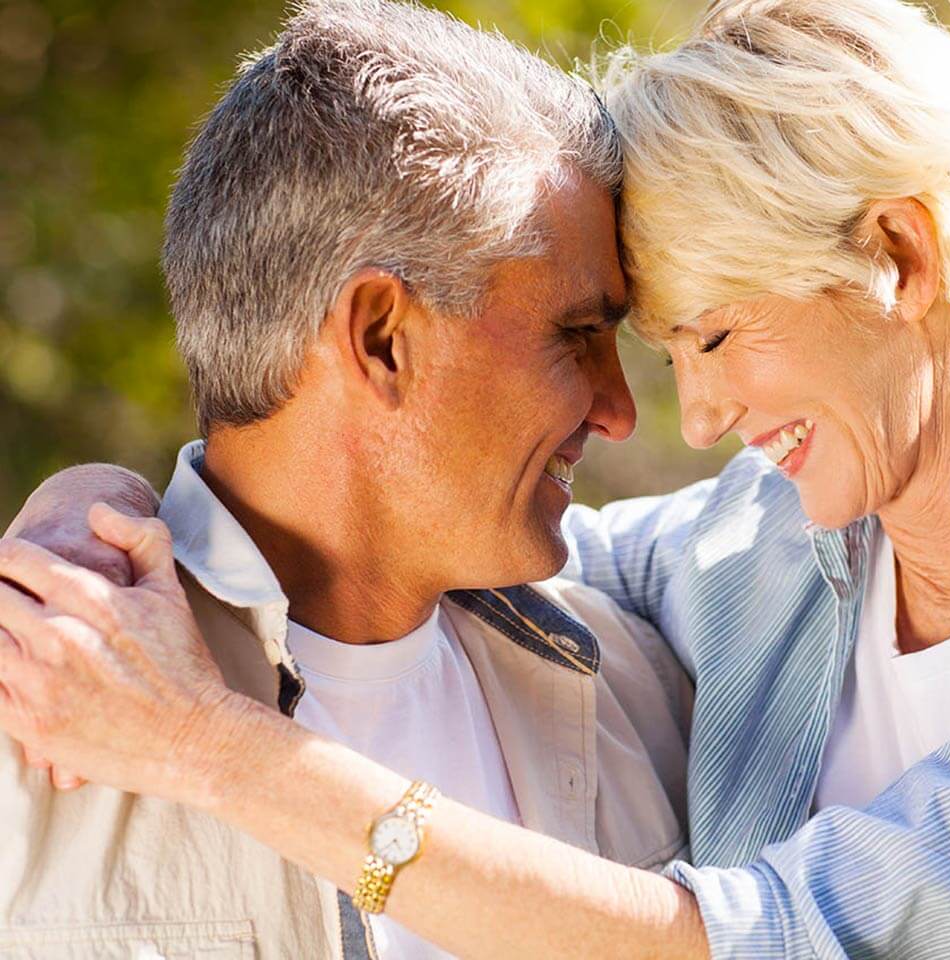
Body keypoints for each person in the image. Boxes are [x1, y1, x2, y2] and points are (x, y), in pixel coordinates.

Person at [6, 0, 950, 957]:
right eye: (628, 345)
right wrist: (100, 517)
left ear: (898, 253)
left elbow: (772, 936)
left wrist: (212, 749)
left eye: (714, 336)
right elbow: (352, 529)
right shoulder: (741, 560)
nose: (690, 413)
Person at [0, 3, 694, 959]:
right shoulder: (27, 701)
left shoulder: (639, 684)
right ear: (381, 337)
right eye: (575, 334)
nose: (619, 410)